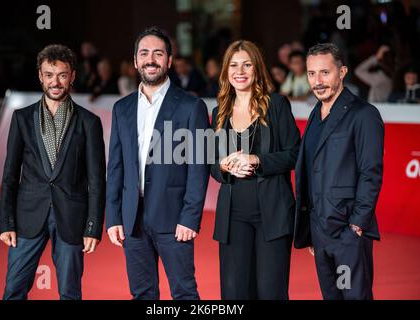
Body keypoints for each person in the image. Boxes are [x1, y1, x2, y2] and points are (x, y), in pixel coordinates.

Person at [106, 27, 210, 300]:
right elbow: (115, 167)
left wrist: (190, 217)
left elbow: (198, 168)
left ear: (169, 60)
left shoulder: (191, 106)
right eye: (144, 53)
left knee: (185, 294)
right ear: (136, 60)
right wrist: (113, 216)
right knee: (142, 294)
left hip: (175, 220)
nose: (151, 59)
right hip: (132, 220)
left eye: (158, 53)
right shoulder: (122, 108)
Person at [0, 44, 106, 300]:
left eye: (62, 75)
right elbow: (10, 174)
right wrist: (6, 222)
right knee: (13, 290)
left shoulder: (89, 122)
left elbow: (96, 180)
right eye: (49, 74)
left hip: (71, 218)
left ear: (72, 76)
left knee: (70, 293)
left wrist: (93, 226)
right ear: (40, 76)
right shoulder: (22, 118)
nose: (55, 82)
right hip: (27, 217)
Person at [210, 40, 301, 300]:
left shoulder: (277, 105)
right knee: (235, 293)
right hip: (232, 218)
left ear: (257, 68)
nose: (240, 71)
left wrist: (257, 160)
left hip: (272, 216)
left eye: (247, 65)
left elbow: (295, 154)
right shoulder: (219, 112)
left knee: (270, 292)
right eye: (234, 65)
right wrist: (223, 166)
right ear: (226, 71)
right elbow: (212, 166)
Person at [294, 43, 384, 300]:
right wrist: (311, 231)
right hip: (320, 233)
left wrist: (355, 226)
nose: (317, 81)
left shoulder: (364, 114)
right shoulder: (315, 114)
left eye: (325, 72)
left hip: (348, 232)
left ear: (342, 72)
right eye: (311, 73)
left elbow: (371, 173)